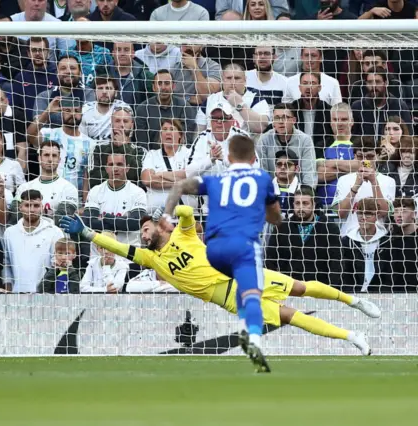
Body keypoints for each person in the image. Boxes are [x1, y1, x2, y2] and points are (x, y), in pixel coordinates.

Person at [61, 204, 378, 365]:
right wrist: (88, 234)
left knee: (299, 287)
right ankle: (353, 337)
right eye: (141, 233)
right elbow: (119, 249)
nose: (144, 235)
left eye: (147, 229)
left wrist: (174, 212)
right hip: (228, 297)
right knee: (288, 316)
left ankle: (353, 301)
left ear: (159, 227)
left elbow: (186, 214)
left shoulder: (183, 234)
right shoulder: (151, 259)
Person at [163, 134, 282, 371]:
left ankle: (242, 328)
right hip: (243, 246)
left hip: (213, 250)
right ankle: (254, 341)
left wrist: (166, 217)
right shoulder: (261, 177)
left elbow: (179, 185)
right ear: (253, 158)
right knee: (252, 295)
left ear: (228, 157)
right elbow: (276, 217)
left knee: (240, 282)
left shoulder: (216, 179)